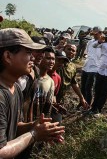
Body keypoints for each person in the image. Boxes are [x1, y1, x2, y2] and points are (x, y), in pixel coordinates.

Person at [0, 28, 65, 158]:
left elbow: (15, 126)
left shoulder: (15, 89)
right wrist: (34, 134)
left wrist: (34, 126)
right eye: (28, 52)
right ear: (8, 56)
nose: (33, 57)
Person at [56, 44, 89, 113]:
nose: (71, 52)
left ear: (75, 53)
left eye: (73, 51)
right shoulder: (55, 61)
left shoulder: (72, 67)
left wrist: (81, 98)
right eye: (69, 49)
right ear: (63, 50)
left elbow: (74, 83)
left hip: (60, 99)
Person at [80, 26, 103, 106]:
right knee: (82, 86)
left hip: (95, 68)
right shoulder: (90, 42)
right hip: (86, 66)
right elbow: (87, 52)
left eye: (96, 34)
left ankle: (88, 104)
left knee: (88, 87)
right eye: (93, 34)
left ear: (100, 33)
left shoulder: (103, 44)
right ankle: (82, 102)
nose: (94, 35)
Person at [32, 47, 55, 121]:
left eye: (53, 59)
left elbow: (48, 106)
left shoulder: (50, 82)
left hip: (37, 121)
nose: (51, 62)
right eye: (48, 58)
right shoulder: (29, 77)